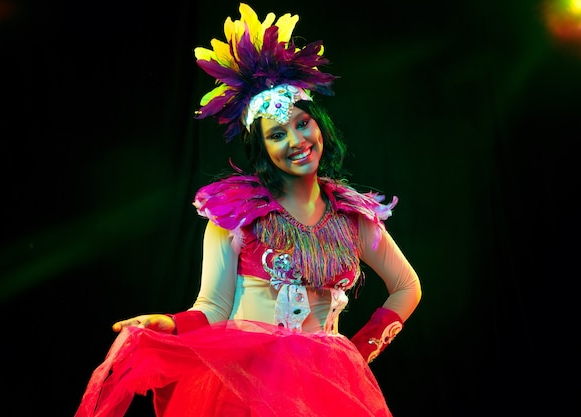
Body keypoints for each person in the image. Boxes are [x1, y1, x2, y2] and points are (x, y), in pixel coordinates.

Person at [74, 3, 422, 417]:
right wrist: (169, 324)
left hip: (326, 390)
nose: (296, 140)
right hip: (241, 386)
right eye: (278, 134)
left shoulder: (352, 217)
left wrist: (356, 354)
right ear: (262, 149)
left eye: (302, 123)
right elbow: (212, 309)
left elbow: (407, 286)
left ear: (318, 124)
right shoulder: (235, 216)